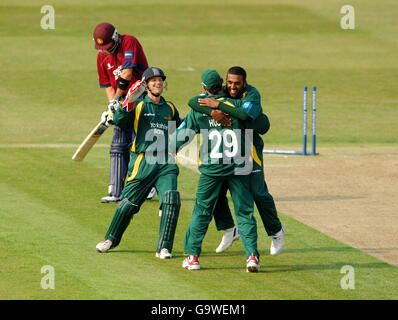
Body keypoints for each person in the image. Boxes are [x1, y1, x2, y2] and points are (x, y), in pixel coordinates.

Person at [170, 70, 268, 272]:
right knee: (244, 212)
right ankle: (252, 257)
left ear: (204, 88)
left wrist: (170, 149)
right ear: (223, 84)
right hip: (239, 166)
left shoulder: (200, 109)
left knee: (202, 211)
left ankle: (193, 257)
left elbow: (180, 136)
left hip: (212, 169)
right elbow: (260, 122)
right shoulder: (236, 106)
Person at [189, 66, 285, 256]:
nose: (233, 87)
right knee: (214, 194)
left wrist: (218, 107)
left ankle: (276, 231)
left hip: (250, 150)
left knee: (258, 193)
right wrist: (212, 113)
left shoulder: (252, 94)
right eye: (230, 83)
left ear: (245, 83)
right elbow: (194, 101)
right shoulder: (223, 91)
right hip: (228, 154)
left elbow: (246, 116)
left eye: (237, 83)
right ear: (224, 82)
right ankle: (229, 229)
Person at [96, 67, 182, 259]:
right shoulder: (139, 105)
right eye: (153, 81)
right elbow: (119, 120)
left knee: (171, 200)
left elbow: (182, 126)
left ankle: (164, 248)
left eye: (160, 80)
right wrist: (128, 101)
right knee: (128, 205)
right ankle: (111, 239)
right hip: (143, 160)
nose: (158, 83)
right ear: (145, 85)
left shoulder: (170, 108)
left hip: (165, 161)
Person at [93, 22, 155, 203]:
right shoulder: (102, 57)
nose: (106, 50)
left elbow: (127, 73)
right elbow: (106, 84)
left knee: (143, 143)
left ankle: (149, 186)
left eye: (108, 45)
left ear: (115, 37)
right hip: (122, 102)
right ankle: (116, 191)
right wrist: (112, 105)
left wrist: (117, 100)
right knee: (118, 145)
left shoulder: (129, 42)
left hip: (141, 96)